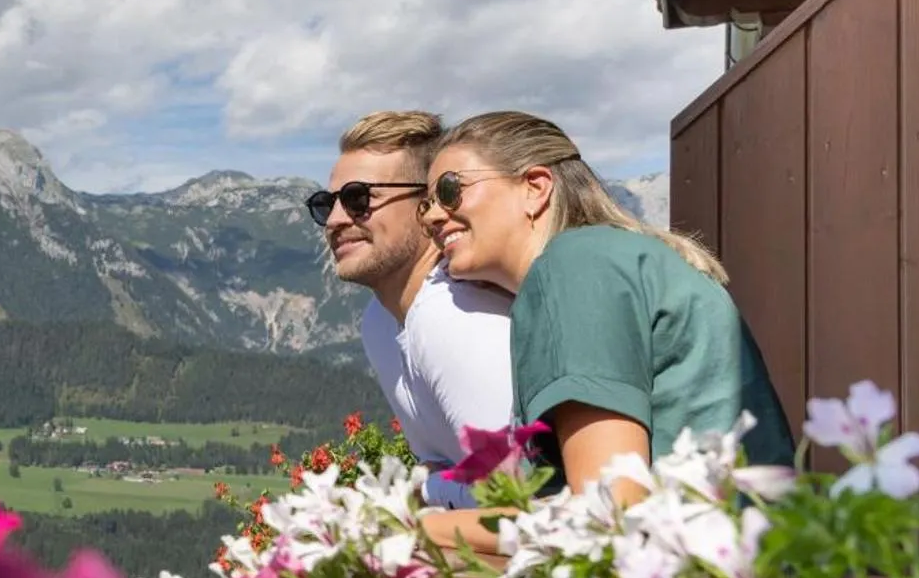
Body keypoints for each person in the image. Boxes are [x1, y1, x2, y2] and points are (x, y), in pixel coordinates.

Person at [415, 110, 796, 554]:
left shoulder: (574, 268)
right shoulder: (606, 258)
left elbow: (609, 514)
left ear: (535, 188)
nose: (432, 217)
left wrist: (415, 531)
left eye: (449, 191)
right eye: (426, 204)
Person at [311, 112, 517, 507]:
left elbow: (522, 499)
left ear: (428, 203)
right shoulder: (379, 321)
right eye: (326, 204)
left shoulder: (454, 316)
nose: (335, 220)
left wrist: (425, 491)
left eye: (359, 199)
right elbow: (440, 463)